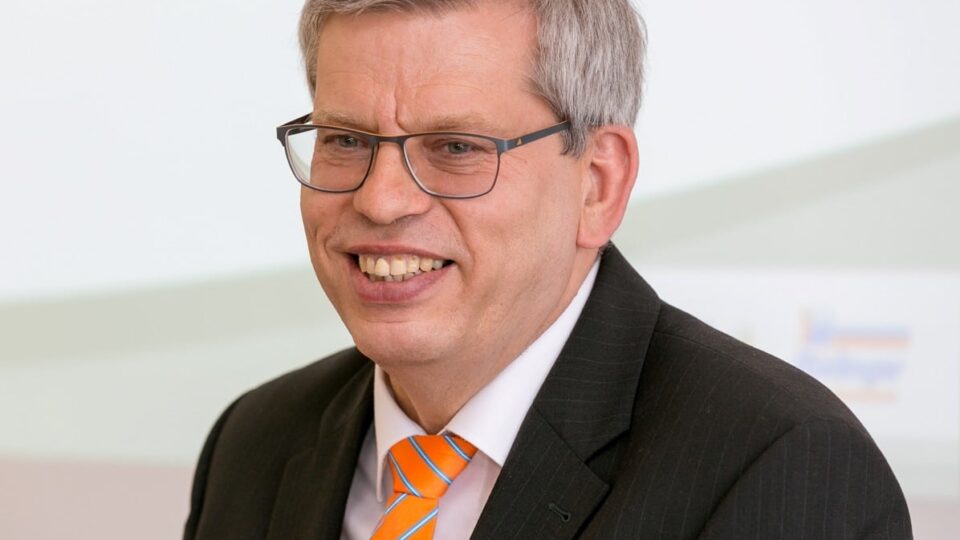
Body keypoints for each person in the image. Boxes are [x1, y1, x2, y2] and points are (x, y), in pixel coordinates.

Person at [184, 0, 912, 538]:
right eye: (345, 140)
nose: (381, 200)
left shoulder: (778, 465)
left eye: (457, 147)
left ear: (598, 185)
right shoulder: (255, 443)